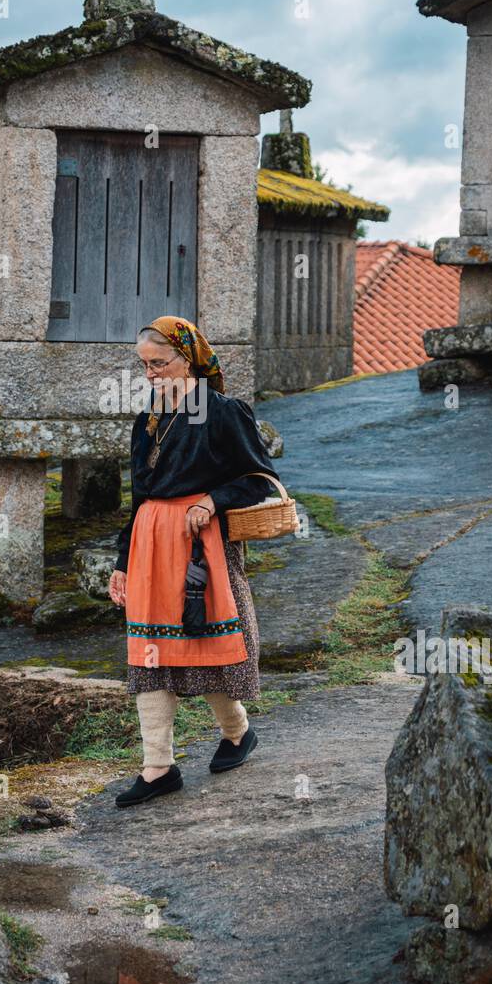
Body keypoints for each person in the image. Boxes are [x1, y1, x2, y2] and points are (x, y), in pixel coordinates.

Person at [108, 315, 280, 807]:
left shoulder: (223, 412)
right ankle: (158, 766)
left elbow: (259, 479)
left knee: (202, 644)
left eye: (159, 363)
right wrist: (123, 561)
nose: (151, 373)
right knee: (151, 653)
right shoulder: (149, 418)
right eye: (144, 365)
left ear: (189, 360)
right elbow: (139, 497)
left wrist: (213, 500)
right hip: (149, 545)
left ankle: (237, 731)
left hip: (200, 545)